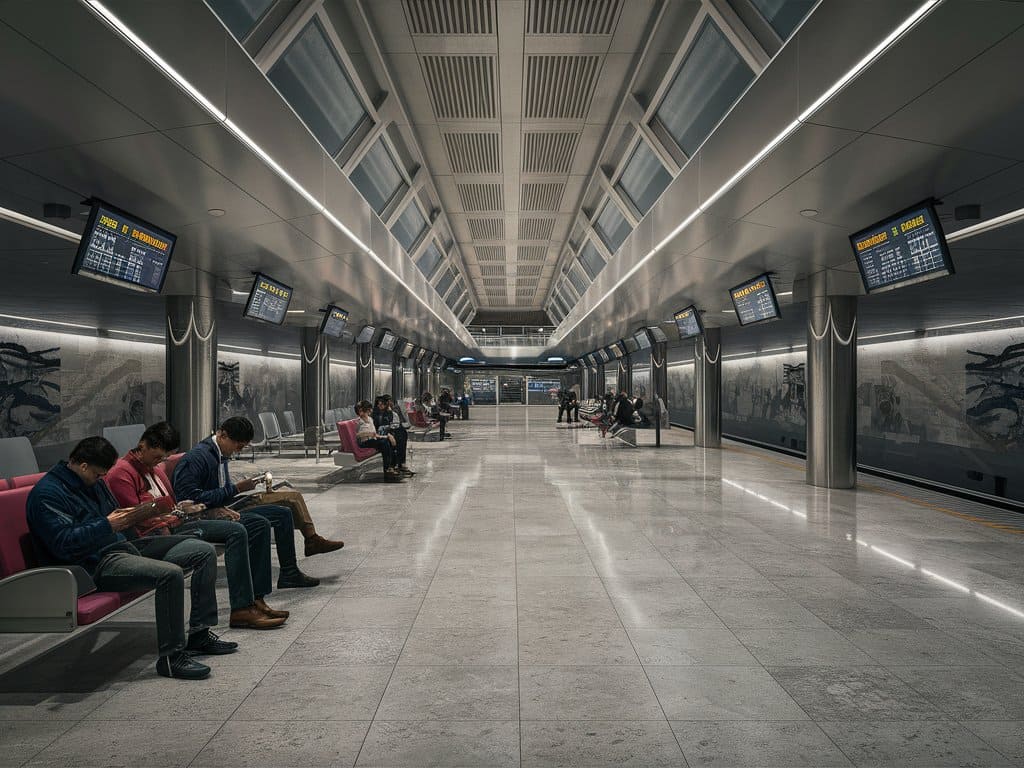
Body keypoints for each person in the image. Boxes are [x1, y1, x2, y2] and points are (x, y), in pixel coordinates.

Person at [27, 437, 231, 680]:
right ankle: (171, 657)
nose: (102, 479)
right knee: (170, 574)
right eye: (98, 474)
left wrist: (143, 515)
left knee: (203, 552)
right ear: (82, 466)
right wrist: (107, 525)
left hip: (124, 545)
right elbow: (64, 543)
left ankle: (198, 635)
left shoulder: (93, 482)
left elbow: (115, 515)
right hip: (94, 563)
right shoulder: (47, 495)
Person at [105, 422, 287, 629]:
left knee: (255, 524)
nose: (159, 462)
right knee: (234, 533)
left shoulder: (154, 469)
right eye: (157, 457)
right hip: (158, 533)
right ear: (142, 446)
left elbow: (174, 503)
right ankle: (240, 608)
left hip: (179, 521)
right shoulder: (122, 474)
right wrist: (184, 511)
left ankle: (253, 601)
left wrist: (194, 509)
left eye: (164, 458)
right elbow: (139, 518)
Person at [172, 417, 324, 589]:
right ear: (223, 435)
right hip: (205, 516)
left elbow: (220, 490)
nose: (238, 451)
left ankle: (289, 573)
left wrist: (239, 490)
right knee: (260, 523)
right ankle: (257, 593)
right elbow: (188, 500)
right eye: (238, 446)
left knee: (283, 513)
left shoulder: (219, 454)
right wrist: (236, 489)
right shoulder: (199, 458)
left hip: (224, 506)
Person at [356, 399, 398, 475]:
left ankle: (392, 466)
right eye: (368, 410)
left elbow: (375, 434)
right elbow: (357, 435)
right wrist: (368, 433)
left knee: (388, 441)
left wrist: (386, 436)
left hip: (373, 440)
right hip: (364, 442)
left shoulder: (370, 419)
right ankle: (388, 468)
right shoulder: (358, 421)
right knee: (384, 444)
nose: (370, 411)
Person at [374, 395, 413, 475]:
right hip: (379, 433)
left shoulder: (389, 413)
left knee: (402, 433)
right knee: (398, 435)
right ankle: (396, 464)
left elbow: (394, 423)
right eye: (379, 404)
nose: (380, 406)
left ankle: (400, 463)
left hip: (388, 431)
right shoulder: (375, 414)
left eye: (382, 404)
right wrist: (388, 431)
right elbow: (377, 427)